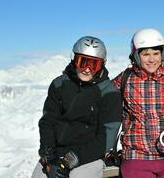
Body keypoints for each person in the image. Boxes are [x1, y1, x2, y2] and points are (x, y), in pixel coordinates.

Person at [31, 36, 122, 178]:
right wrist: (49, 156)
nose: (87, 69)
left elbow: (107, 137)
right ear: (74, 59)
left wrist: (69, 161)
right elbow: (48, 122)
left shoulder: (109, 93)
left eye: (94, 65)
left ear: (102, 64)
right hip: (57, 152)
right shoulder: (59, 85)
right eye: (83, 62)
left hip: (90, 156)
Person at [112, 28, 164, 178]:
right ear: (136, 55)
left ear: (162, 54)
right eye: (146, 54)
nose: (152, 59)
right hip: (136, 156)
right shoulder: (126, 79)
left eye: (156, 53)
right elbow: (101, 94)